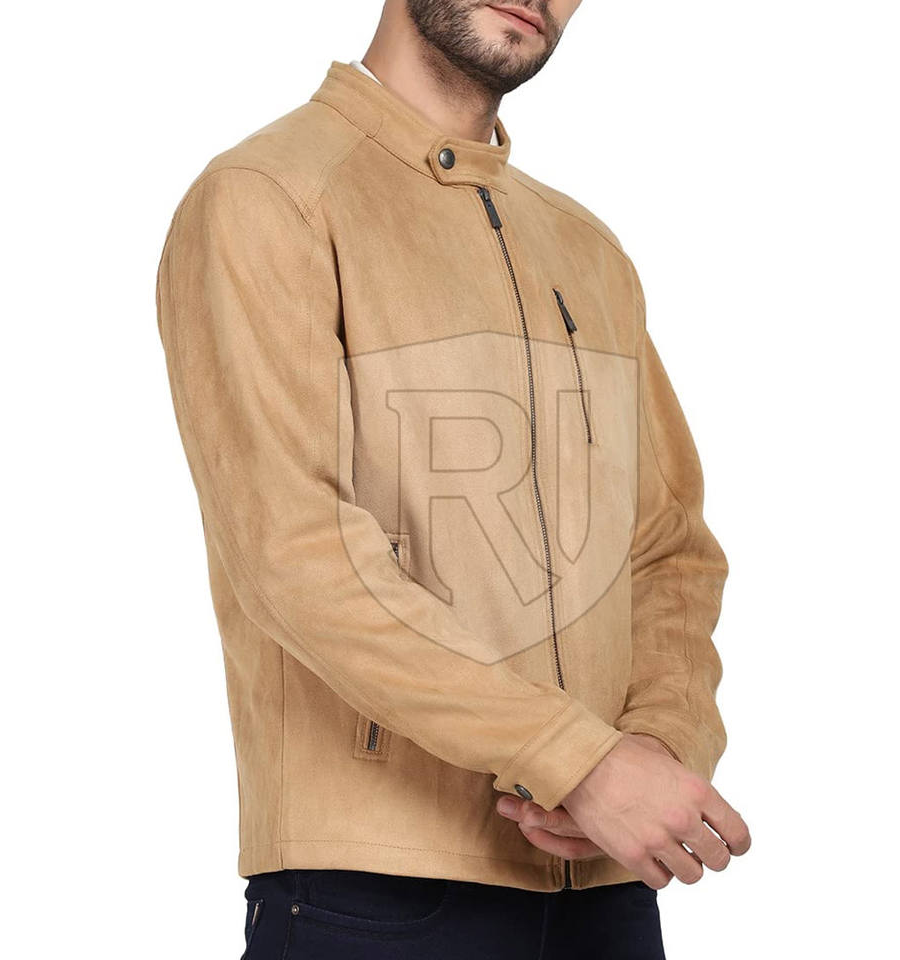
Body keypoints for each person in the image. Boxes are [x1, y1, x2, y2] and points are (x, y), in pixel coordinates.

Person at [155, 2, 751, 956]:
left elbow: (668, 550)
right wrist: (575, 758)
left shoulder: (588, 251)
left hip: (605, 886)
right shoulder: (270, 196)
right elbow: (293, 551)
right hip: (373, 892)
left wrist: (652, 746)